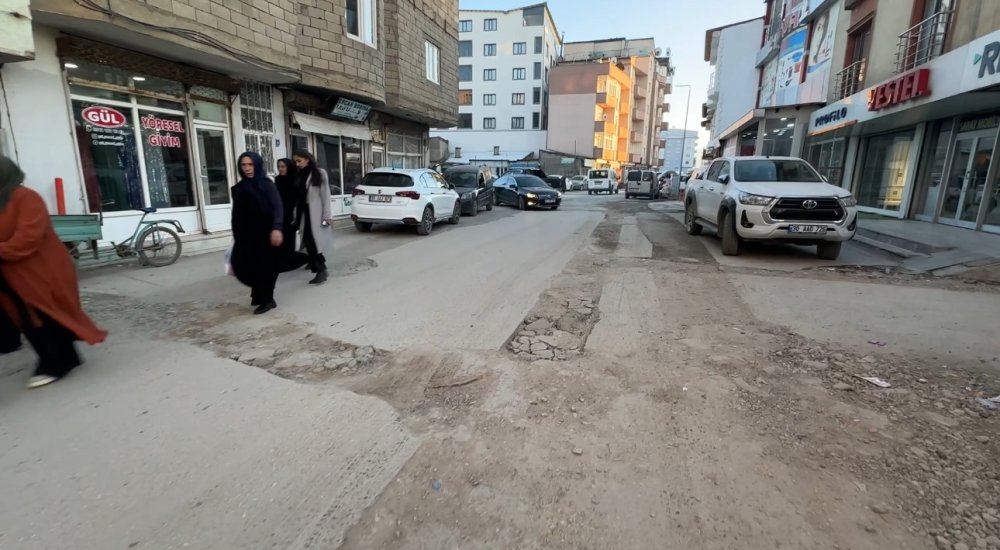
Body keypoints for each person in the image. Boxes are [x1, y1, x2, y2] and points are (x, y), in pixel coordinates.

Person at [0, 155, 107, 388]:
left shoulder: (25, 197)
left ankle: (56, 364)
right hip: (13, 275)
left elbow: (28, 238)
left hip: (42, 273)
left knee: (43, 318)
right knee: (29, 319)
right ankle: (64, 359)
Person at [230, 152, 284, 314]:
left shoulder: (266, 184)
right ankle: (259, 293)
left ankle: (268, 299)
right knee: (246, 264)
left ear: (257, 165)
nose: (247, 168)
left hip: (265, 233)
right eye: (244, 165)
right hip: (246, 235)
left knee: (266, 266)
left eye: (250, 164)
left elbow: (278, 206)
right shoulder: (240, 187)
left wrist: (277, 228)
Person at [292, 150, 333, 285]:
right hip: (303, 213)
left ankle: (321, 270)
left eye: (299, 161)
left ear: (307, 159)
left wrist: (327, 215)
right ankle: (321, 268)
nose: (297, 164)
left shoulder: (319, 173)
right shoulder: (299, 175)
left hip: (315, 213)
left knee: (313, 242)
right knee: (309, 242)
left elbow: (325, 195)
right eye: (295, 161)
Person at [274, 158, 309, 273]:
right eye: (279, 166)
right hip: (279, 214)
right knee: (280, 240)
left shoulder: (296, 179)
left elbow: (300, 200)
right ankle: (281, 263)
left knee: (289, 240)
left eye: (283, 166)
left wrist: (297, 217)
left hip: (292, 215)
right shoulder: (277, 180)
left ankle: (310, 259)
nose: (280, 169)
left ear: (289, 167)